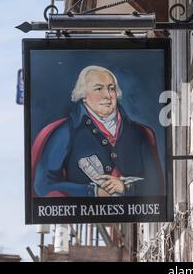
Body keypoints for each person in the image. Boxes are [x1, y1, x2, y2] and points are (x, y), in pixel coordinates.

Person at [32, 65, 164, 197]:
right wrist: (92, 192)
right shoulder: (66, 132)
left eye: (111, 89)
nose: (107, 96)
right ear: (83, 95)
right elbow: (44, 184)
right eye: (98, 89)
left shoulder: (139, 133)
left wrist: (126, 187)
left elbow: (156, 185)